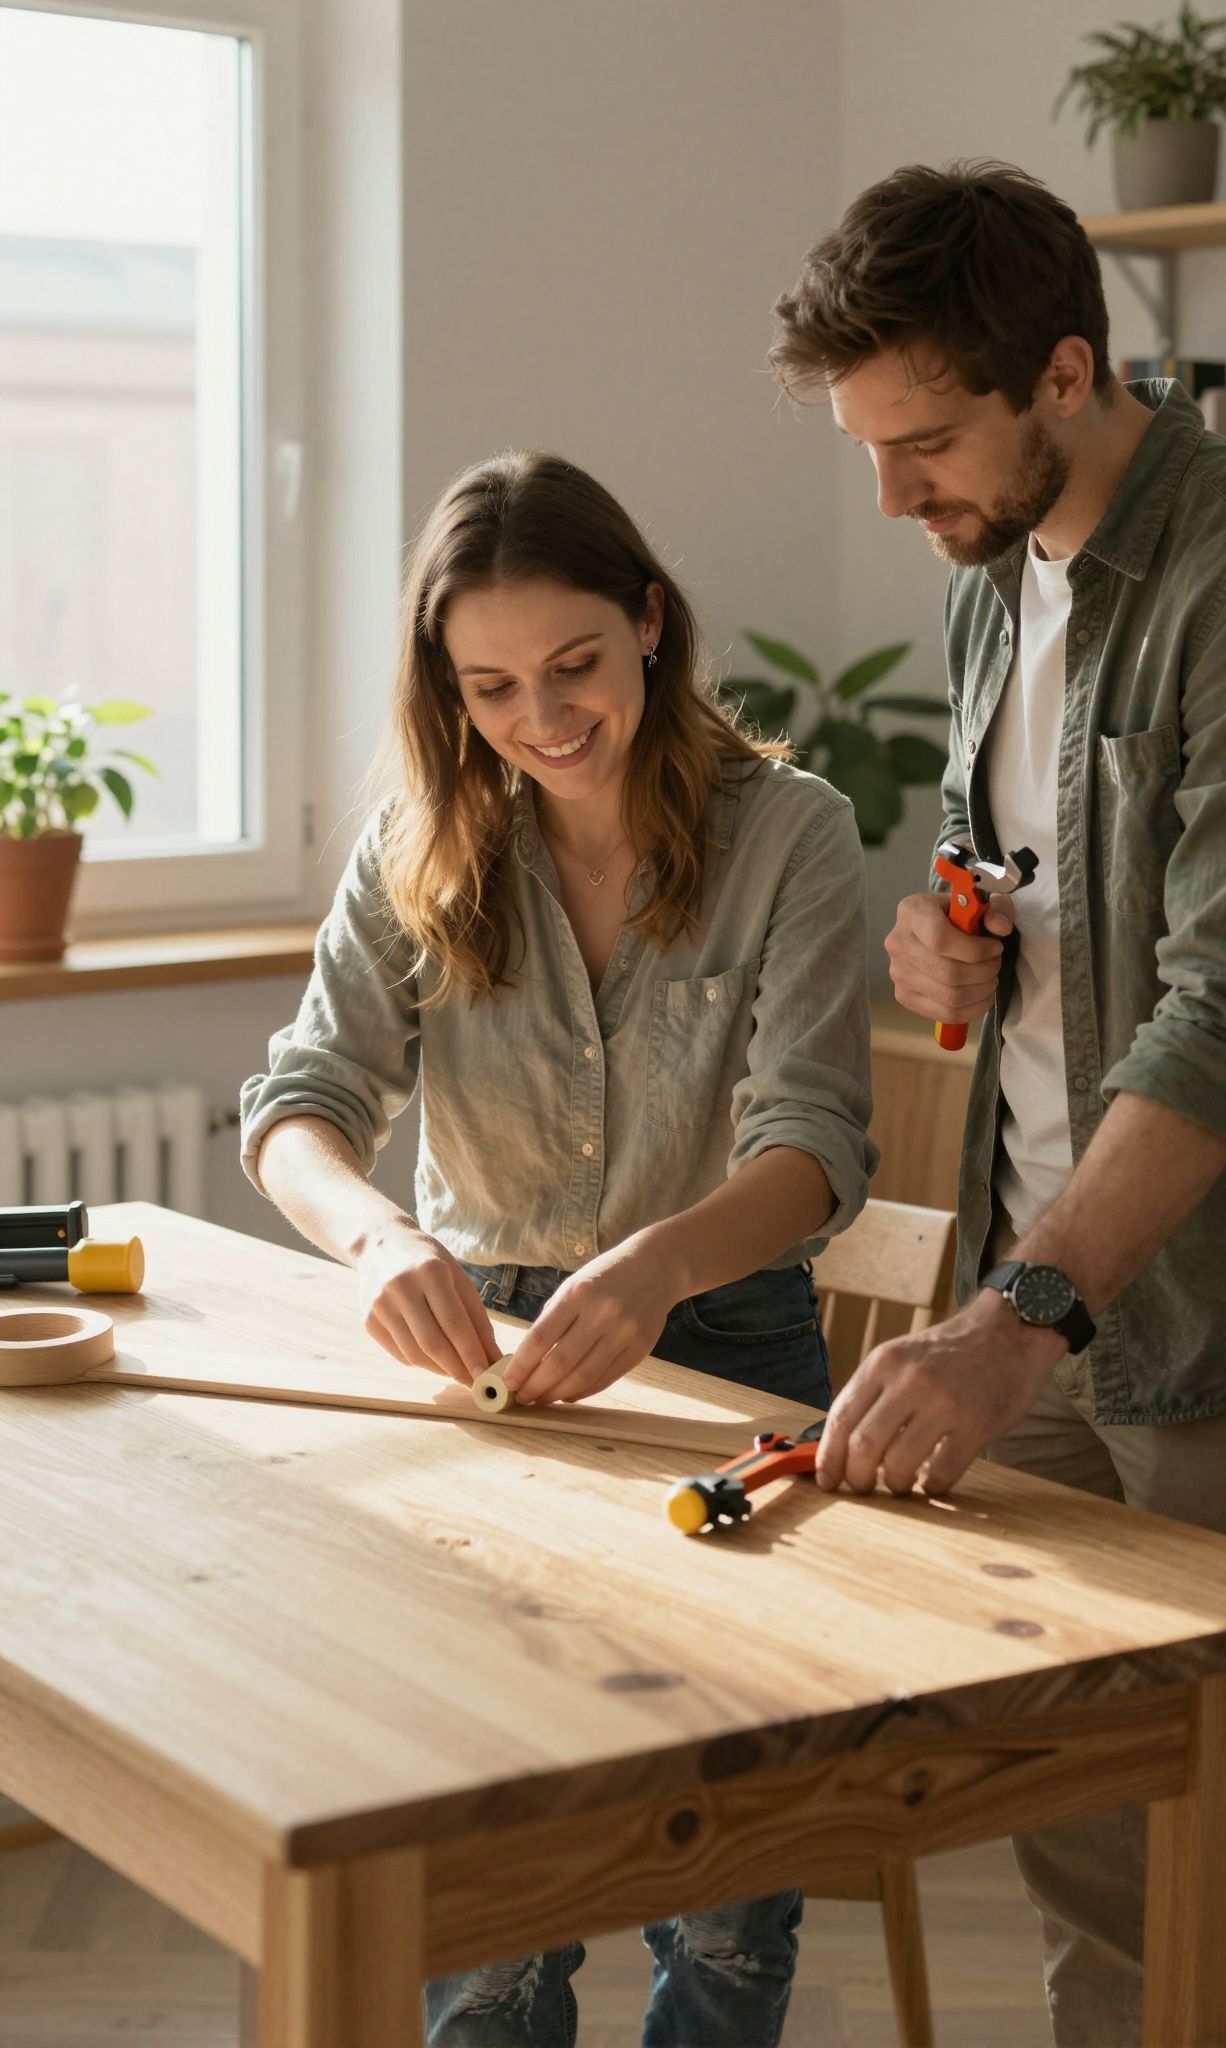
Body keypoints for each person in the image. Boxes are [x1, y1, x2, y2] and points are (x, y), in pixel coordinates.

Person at [769, 159, 1226, 2048]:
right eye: (870, 448)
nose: (896, 497)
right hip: (1038, 1288)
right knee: (1078, 1826)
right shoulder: (1005, 579)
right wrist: (954, 943)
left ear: (1065, 372)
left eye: (926, 443)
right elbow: (1045, 890)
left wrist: (1012, 1323)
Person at [239, 449, 877, 2048]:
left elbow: (816, 1151)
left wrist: (660, 1265)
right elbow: (299, 1107)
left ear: (650, 622)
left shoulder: (790, 831)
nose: (545, 716)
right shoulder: (421, 840)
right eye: (493, 684)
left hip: (729, 1365)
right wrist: (376, 1231)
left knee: (728, 1902)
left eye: (578, 664)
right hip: (486, 1373)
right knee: (493, 1915)